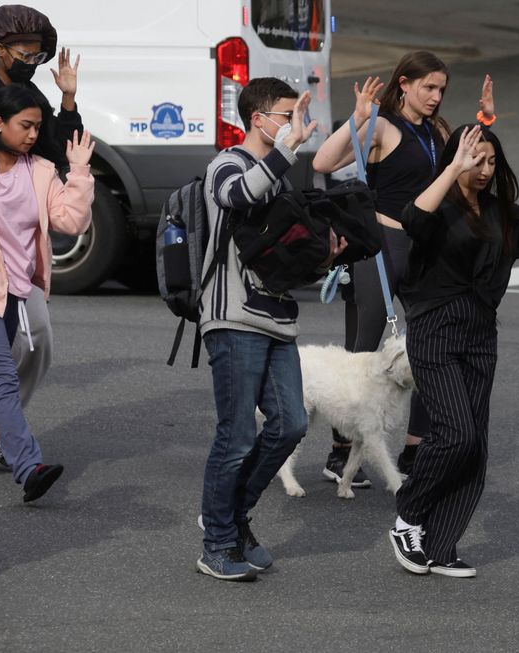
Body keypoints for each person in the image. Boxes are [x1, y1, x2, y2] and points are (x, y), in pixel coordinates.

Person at [387, 125, 519, 578]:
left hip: (480, 333)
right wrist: (453, 170)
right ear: (458, 160)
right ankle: (408, 516)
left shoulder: (501, 213)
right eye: (477, 161)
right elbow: (412, 220)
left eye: (491, 162)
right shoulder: (441, 204)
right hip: (434, 328)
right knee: (455, 434)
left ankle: (440, 544)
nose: (485, 171)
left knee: (474, 447)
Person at [313, 52, 494, 488]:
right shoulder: (382, 124)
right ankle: (341, 453)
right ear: (405, 84)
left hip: (426, 248)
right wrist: (356, 119)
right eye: (428, 88)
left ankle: (414, 449)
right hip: (381, 246)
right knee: (365, 349)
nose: (435, 97)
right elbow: (322, 162)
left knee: (432, 345)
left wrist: (485, 123)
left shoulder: (438, 130)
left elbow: (472, 161)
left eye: (441, 90)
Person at [196, 77, 346, 582]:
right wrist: (286, 151)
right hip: (233, 318)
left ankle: (232, 519)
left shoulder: (278, 177)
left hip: (279, 320)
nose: (292, 125)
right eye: (285, 115)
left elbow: (285, 256)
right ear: (258, 118)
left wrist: (326, 255)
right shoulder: (228, 164)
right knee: (237, 436)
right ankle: (216, 542)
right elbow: (237, 196)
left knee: (291, 425)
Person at [0, 4, 83, 468]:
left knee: (31, 345)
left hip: (17, 251)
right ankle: (16, 451)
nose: (33, 60)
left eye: (38, 52)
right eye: (24, 52)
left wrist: (68, 102)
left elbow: (58, 149)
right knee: (3, 359)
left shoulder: (33, 96)